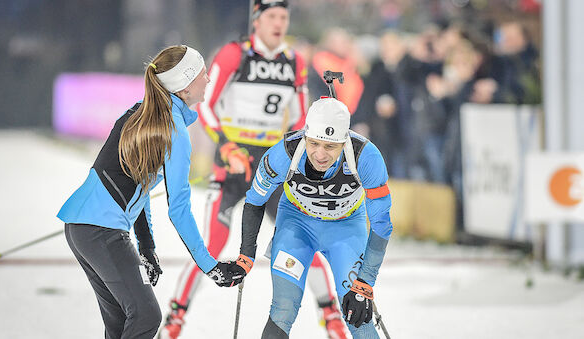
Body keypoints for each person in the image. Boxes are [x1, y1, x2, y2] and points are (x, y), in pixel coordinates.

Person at [159, 1, 349, 339]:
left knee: (303, 241)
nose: (279, 23)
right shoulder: (235, 54)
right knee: (212, 246)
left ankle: (331, 315)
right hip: (232, 165)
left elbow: (301, 117)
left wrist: (300, 155)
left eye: (284, 17)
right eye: (272, 17)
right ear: (257, 20)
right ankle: (175, 317)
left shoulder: (295, 61)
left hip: (273, 168)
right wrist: (227, 146)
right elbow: (208, 107)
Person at [57, 45, 244, 339]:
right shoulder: (174, 130)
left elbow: (138, 184)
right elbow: (179, 208)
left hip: (81, 228)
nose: (208, 80)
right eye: (203, 74)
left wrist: (147, 246)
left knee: (121, 325)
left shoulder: (142, 111)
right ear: (184, 84)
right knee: (146, 317)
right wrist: (211, 266)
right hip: (101, 231)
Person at [233, 96, 393, 338]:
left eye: (330, 147)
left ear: (344, 141)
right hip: (297, 224)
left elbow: (381, 224)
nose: (320, 154)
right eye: (314, 143)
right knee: (283, 309)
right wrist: (246, 255)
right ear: (305, 135)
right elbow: (255, 201)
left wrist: (365, 283)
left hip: (345, 227)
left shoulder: (366, 157)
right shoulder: (285, 152)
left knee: (357, 314)